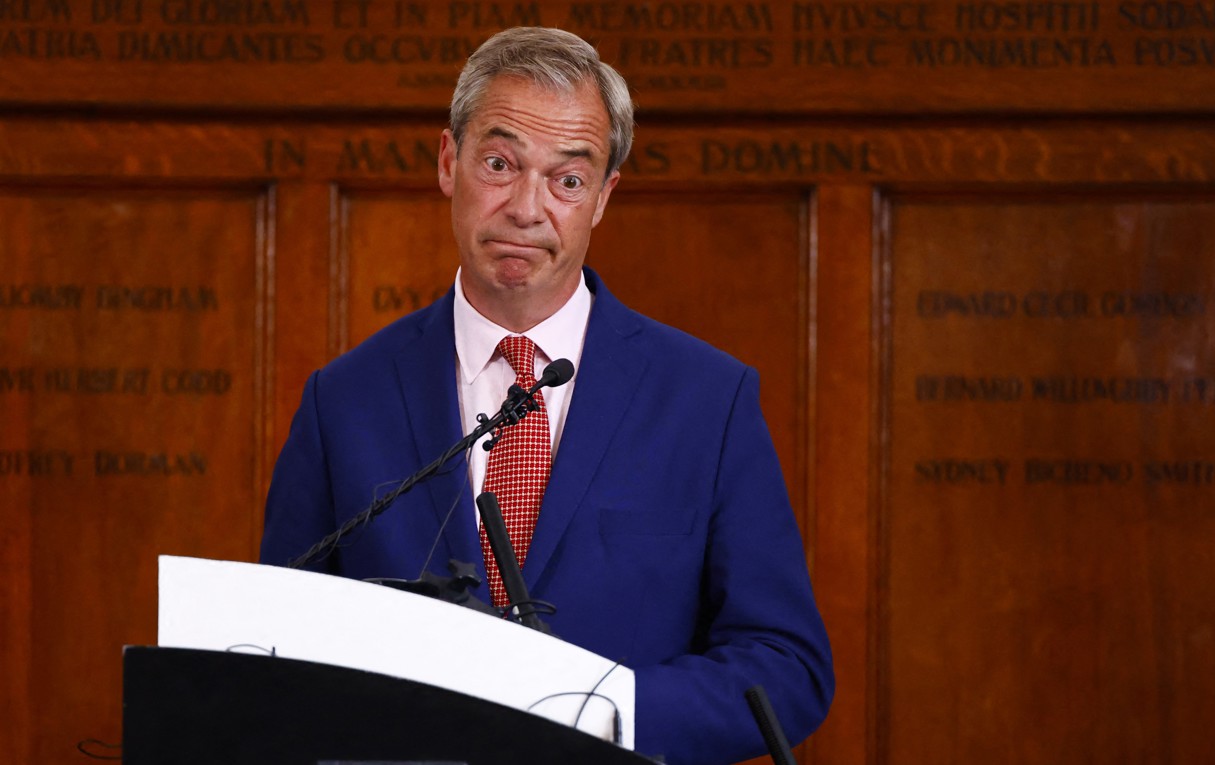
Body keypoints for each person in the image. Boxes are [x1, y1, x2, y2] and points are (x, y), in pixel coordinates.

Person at [260, 26, 834, 765]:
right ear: (448, 162)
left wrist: (596, 712)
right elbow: (269, 653)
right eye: (500, 163)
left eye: (567, 179)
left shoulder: (708, 401)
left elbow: (788, 665)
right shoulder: (342, 402)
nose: (527, 208)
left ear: (602, 197)